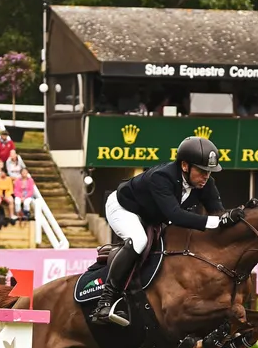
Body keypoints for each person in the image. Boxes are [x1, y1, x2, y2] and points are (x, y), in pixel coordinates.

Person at [91, 134, 240, 326]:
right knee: (139, 240)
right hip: (123, 207)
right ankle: (105, 302)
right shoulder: (161, 177)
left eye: (209, 172)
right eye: (202, 171)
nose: (206, 176)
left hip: (152, 214)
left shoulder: (205, 183)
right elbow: (176, 216)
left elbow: (218, 213)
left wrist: (236, 215)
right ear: (185, 166)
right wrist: (217, 222)